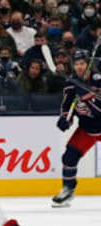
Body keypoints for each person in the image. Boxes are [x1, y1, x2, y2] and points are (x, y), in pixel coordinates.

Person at [52, 50, 101, 207]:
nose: (79, 67)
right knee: (69, 158)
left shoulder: (98, 80)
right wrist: (65, 118)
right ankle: (68, 190)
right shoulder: (71, 83)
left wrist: (87, 95)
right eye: (77, 64)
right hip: (87, 129)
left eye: (82, 64)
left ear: (88, 65)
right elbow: (67, 105)